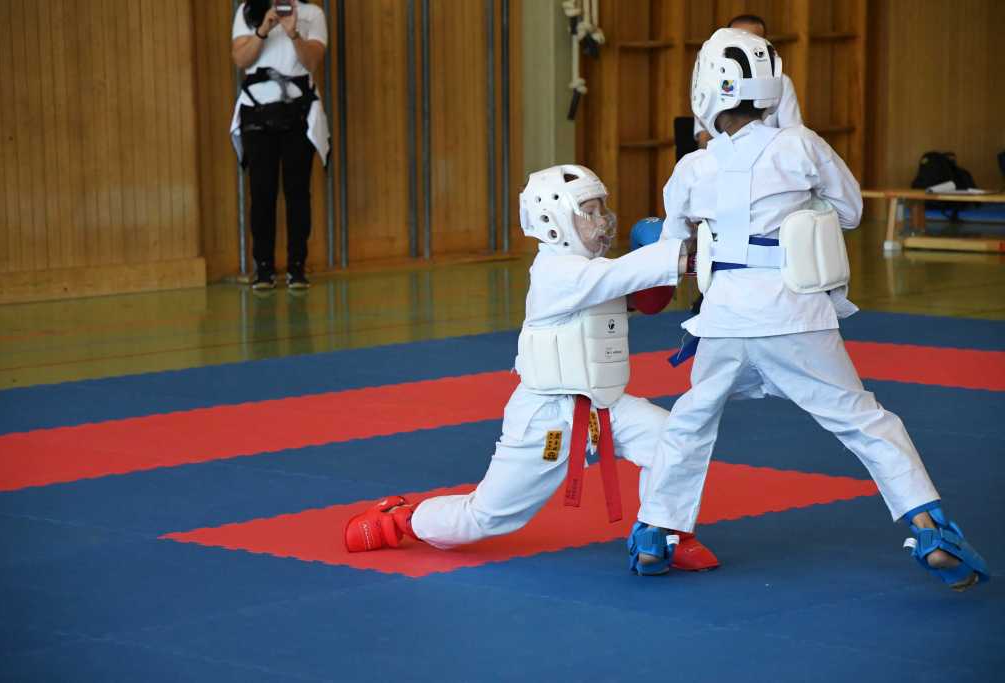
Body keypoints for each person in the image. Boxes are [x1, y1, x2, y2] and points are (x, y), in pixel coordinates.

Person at [631, 28, 989, 590]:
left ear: (706, 88)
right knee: (866, 421)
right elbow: (850, 212)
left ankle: (656, 532)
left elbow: (672, 246)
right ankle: (931, 531)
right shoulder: (800, 145)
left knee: (690, 422)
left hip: (722, 319)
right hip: (794, 314)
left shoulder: (692, 169)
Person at [344, 165, 719, 574]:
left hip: (603, 407)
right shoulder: (557, 272)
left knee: (673, 437)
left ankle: (664, 533)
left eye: (602, 211)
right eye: (589, 213)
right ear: (552, 222)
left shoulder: (593, 272)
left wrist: (666, 262)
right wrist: (683, 253)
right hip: (548, 417)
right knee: (486, 517)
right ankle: (400, 519)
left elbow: (640, 297)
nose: (601, 223)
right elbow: (619, 276)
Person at [231, 0, 329, 290]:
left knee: (297, 191)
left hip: (298, 112)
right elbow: (241, 60)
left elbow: (313, 62)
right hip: (257, 113)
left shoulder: (312, 14)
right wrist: (263, 29)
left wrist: (293, 32)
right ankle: (264, 268)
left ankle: (297, 266)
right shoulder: (248, 11)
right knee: (262, 191)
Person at [693, 14, 801, 149]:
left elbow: (793, 135)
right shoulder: (710, 83)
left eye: (753, 42)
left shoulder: (781, 82)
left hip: (768, 157)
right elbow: (704, 140)